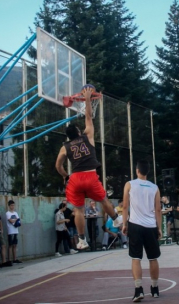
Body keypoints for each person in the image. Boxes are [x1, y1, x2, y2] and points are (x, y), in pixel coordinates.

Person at [55, 86, 121, 250]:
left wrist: (65, 175)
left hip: (75, 178)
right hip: (90, 176)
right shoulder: (87, 136)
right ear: (78, 131)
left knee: (78, 210)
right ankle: (116, 218)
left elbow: (58, 165)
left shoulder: (65, 147)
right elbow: (89, 117)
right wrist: (87, 98)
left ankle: (82, 240)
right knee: (103, 199)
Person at [122, 160, 162, 302]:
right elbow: (158, 209)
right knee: (153, 258)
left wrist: (124, 223)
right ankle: (155, 288)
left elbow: (125, 206)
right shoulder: (154, 187)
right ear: (148, 171)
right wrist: (159, 227)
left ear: (137, 170)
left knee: (136, 258)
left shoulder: (130, 184)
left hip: (135, 224)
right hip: (151, 225)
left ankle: (138, 289)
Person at [6, 200, 23, 264]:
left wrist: (16, 220)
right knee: (10, 245)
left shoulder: (15, 213)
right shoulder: (7, 213)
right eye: (11, 205)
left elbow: (19, 222)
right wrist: (16, 220)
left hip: (15, 230)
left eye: (13, 205)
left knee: (15, 245)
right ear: (9, 206)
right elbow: (11, 221)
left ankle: (14, 259)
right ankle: (9, 259)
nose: (12, 207)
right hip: (10, 231)